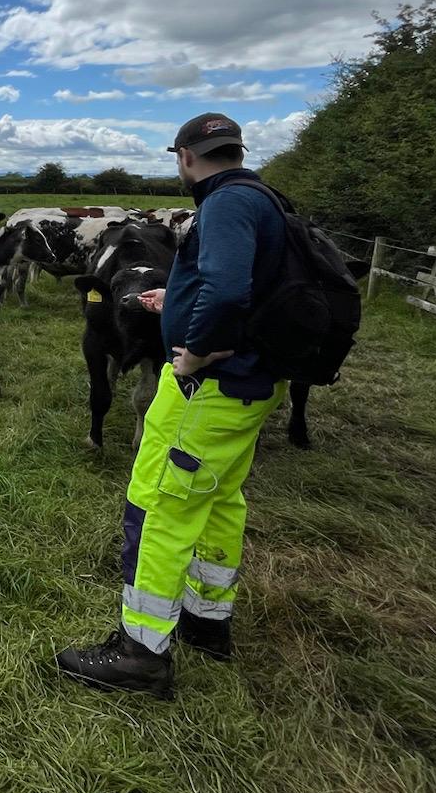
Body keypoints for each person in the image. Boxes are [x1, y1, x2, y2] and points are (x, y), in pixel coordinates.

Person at [55, 113, 290, 699]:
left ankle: (141, 653)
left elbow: (230, 289)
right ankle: (208, 622)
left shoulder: (226, 204)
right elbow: (244, 286)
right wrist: (179, 298)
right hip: (254, 383)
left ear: (184, 156)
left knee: (158, 505)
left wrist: (197, 351)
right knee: (218, 499)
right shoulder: (266, 198)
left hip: (209, 389)